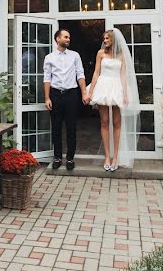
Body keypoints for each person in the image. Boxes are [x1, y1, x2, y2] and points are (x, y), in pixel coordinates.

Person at [88, 29, 139, 171]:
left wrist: (125, 94)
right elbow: (96, 72)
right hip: (103, 86)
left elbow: (123, 75)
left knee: (117, 123)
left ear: (113, 39)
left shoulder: (121, 55)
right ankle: (107, 156)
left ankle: (115, 157)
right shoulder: (100, 53)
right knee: (104, 122)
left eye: (107, 39)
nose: (105, 41)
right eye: (104, 39)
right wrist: (91, 91)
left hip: (117, 86)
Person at [43, 29, 89, 171]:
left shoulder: (75, 56)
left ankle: (70, 158)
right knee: (56, 127)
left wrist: (84, 93)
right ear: (58, 39)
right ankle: (57, 157)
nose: (68, 39)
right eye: (66, 37)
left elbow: (80, 74)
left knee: (71, 127)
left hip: (71, 94)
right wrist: (47, 98)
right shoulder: (49, 57)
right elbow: (47, 78)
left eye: (69, 37)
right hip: (55, 94)